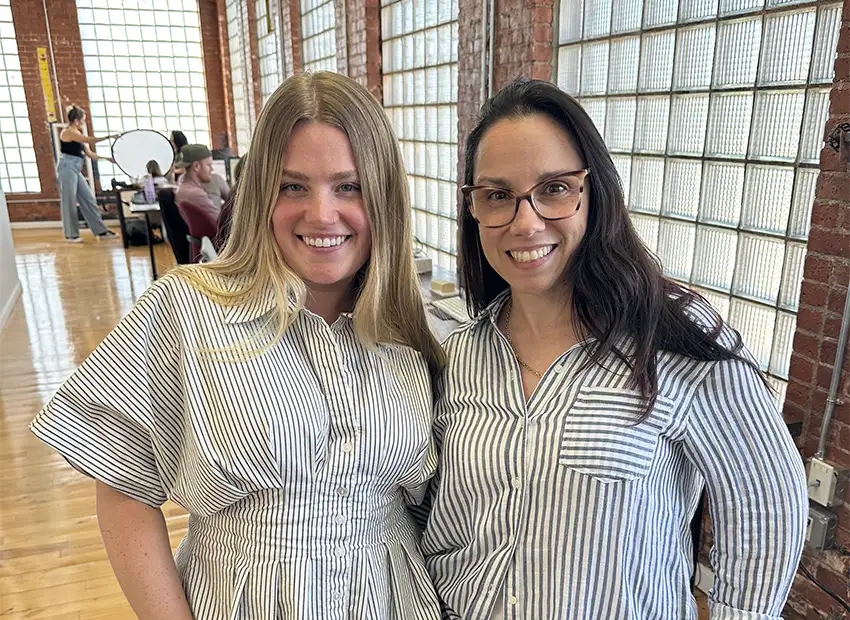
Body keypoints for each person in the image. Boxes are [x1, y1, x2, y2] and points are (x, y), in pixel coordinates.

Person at [31, 71, 444, 619]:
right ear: (259, 193)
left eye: (349, 186)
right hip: (238, 595)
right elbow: (125, 486)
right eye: (292, 186)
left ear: (385, 197)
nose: (322, 214)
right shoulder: (187, 309)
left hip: (393, 599)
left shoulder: (412, 330)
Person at [420, 78, 808, 619]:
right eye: (498, 195)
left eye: (555, 188)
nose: (526, 222)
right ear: (474, 208)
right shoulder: (460, 356)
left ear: (594, 193)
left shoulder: (669, 336)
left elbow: (766, 499)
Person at [58, 105, 119, 242]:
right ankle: (71, 235)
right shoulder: (67, 132)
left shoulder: (78, 134)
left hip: (75, 169)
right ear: (76, 121)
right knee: (69, 200)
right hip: (66, 167)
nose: (84, 122)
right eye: (83, 119)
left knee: (88, 198)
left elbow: (90, 154)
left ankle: (101, 231)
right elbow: (88, 140)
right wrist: (108, 137)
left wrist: (106, 158)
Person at [174, 144, 219, 234]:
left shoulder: (183, 184)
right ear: (196, 166)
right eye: (209, 165)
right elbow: (222, 221)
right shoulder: (194, 194)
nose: (212, 169)